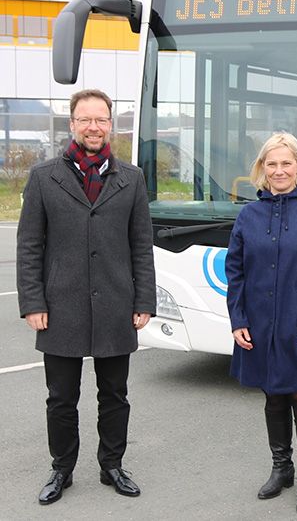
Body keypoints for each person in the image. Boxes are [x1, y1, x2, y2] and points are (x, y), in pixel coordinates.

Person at [16, 89, 156, 505]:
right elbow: (29, 246)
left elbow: (140, 245)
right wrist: (33, 303)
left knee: (114, 394)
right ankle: (62, 469)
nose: (94, 127)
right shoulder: (44, 177)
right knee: (61, 398)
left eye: (101, 119)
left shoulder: (132, 178)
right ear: (72, 123)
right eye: (85, 119)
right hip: (60, 307)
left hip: (116, 303)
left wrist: (143, 300)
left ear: (111, 124)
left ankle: (112, 464)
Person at [225, 132, 297, 516]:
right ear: (262, 168)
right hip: (259, 325)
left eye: (286, 163)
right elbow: (236, 271)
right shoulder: (248, 215)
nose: (279, 171)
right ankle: (281, 469)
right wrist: (237, 319)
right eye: (271, 164)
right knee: (272, 396)